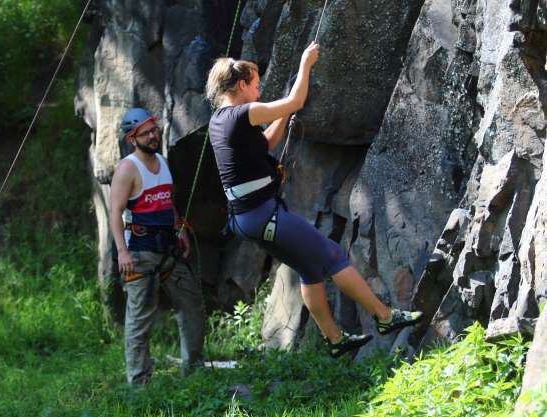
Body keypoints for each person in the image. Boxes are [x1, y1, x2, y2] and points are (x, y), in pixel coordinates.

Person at [205, 42, 423, 358]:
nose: (259, 89)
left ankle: (334, 338)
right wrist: (305, 65)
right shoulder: (244, 113)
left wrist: (285, 116)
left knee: (310, 267)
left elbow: (265, 143)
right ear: (241, 85)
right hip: (262, 215)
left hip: (246, 219)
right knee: (332, 254)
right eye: (255, 84)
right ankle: (385, 316)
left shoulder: (220, 120)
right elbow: (296, 99)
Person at [108, 108, 205, 384]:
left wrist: (180, 229)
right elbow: (115, 211)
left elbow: (166, 201)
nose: (153, 136)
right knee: (140, 319)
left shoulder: (162, 161)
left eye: (154, 130)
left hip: (168, 250)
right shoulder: (127, 168)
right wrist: (122, 252)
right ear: (132, 138)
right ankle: (139, 384)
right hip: (139, 252)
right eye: (146, 133)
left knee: (192, 304)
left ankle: (194, 370)